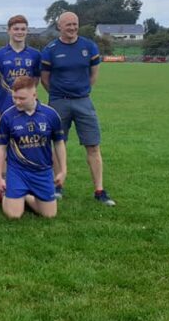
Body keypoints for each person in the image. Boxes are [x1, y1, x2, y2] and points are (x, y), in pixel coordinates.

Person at [40, 11, 115, 206]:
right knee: (57, 143)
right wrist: (59, 94)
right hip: (58, 102)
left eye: (75, 24)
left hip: (83, 101)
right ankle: (57, 187)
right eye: (68, 25)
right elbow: (45, 79)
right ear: (59, 27)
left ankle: (99, 190)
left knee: (93, 145)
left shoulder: (89, 46)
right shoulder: (51, 49)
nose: (72, 28)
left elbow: (93, 76)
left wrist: (80, 92)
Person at [0, 76, 67, 219]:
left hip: (43, 171)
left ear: (34, 95)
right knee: (13, 215)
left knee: (49, 215)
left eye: (22, 98)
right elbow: (1, 147)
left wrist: (63, 170)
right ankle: (7, 195)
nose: (17, 102)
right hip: (17, 171)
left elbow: (58, 143)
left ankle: (25, 196)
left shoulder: (50, 114)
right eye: (14, 97)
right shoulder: (8, 116)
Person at [0, 14, 41, 117]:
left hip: (28, 106)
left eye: (23, 29)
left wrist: (25, 91)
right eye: (16, 29)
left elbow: (36, 79)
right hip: (4, 106)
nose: (20, 32)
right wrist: (9, 90)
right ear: (8, 31)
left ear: (27, 31)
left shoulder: (35, 54)